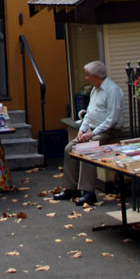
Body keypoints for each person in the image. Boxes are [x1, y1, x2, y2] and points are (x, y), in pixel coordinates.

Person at [54, 59, 123, 204]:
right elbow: (89, 113)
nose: (86, 78)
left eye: (88, 75)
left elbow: (112, 119)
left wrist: (92, 133)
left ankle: (88, 191)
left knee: (86, 149)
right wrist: (82, 130)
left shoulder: (112, 90)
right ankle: (71, 188)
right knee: (69, 149)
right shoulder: (94, 90)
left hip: (109, 130)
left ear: (96, 76)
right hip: (93, 128)